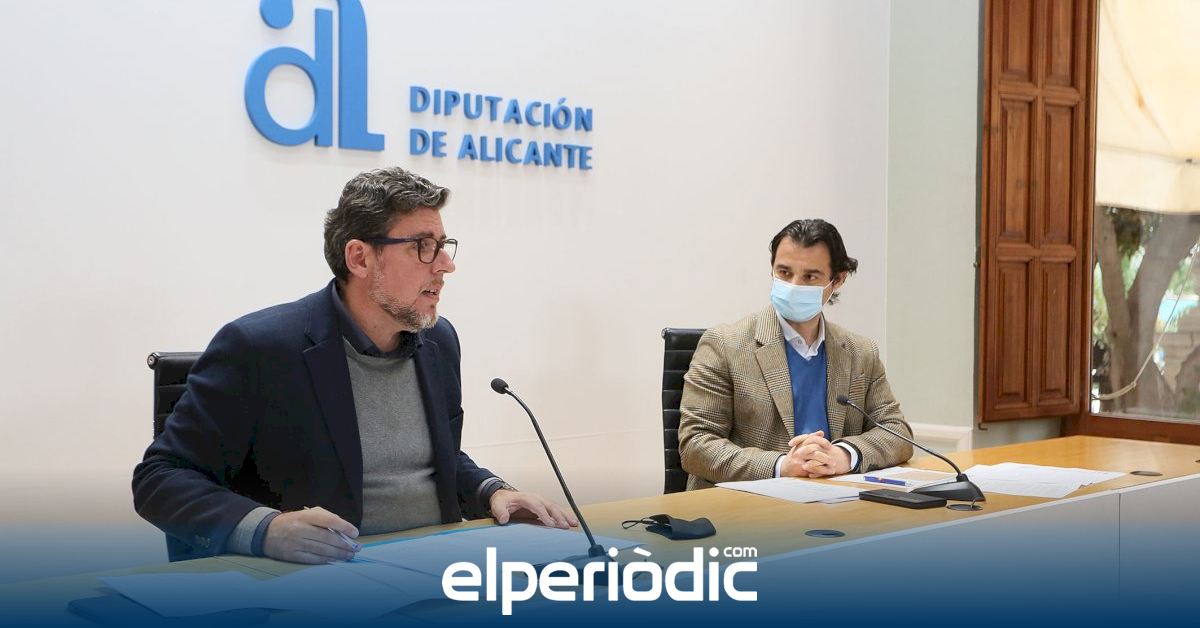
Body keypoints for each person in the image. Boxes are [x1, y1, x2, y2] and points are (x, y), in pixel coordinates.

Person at [133, 167, 576, 564]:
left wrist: (491, 491)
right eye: (423, 247)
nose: (446, 266)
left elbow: (433, 461)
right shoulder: (258, 347)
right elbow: (161, 479)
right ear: (360, 258)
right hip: (324, 584)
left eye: (443, 246)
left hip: (434, 565)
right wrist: (264, 529)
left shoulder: (439, 341)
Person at [678, 219, 913, 489]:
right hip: (748, 505)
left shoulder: (860, 352)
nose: (793, 285)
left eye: (810, 277)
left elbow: (897, 432)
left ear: (837, 280)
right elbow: (696, 445)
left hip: (835, 501)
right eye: (784, 272)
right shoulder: (723, 345)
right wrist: (782, 466)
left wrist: (844, 455)